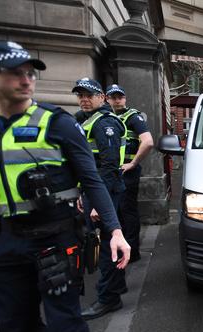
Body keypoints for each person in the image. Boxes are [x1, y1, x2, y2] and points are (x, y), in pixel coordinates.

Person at [0, 40, 130, 332]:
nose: (26, 80)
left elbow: (95, 174)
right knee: (14, 330)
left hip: (55, 237)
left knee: (67, 328)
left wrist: (114, 229)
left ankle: (107, 300)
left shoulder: (58, 122)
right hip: (7, 240)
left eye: (30, 73)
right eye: (14, 73)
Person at [73, 78, 129, 319]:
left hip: (106, 192)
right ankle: (115, 289)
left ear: (102, 97)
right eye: (80, 95)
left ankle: (109, 298)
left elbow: (108, 166)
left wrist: (97, 202)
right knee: (106, 244)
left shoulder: (105, 123)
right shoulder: (88, 120)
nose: (84, 99)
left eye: (89, 94)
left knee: (109, 246)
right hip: (96, 191)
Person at [106, 84, 153, 263]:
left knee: (127, 211)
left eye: (120, 97)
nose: (117, 100)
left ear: (125, 98)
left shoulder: (132, 117)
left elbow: (148, 142)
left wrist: (133, 163)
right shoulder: (107, 117)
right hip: (112, 172)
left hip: (127, 173)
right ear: (107, 99)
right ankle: (121, 248)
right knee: (116, 211)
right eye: (113, 97)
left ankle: (132, 252)